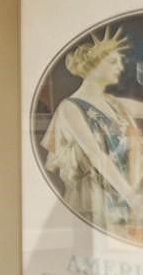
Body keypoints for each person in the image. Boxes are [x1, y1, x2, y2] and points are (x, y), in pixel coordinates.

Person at [41, 27, 143, 237]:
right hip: (93, 200)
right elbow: (97, 155)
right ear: (93, 65)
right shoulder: (70, 108)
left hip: (121, 199)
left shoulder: (114, 103)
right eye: (113, 62)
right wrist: (132, 198)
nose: (121, 67)